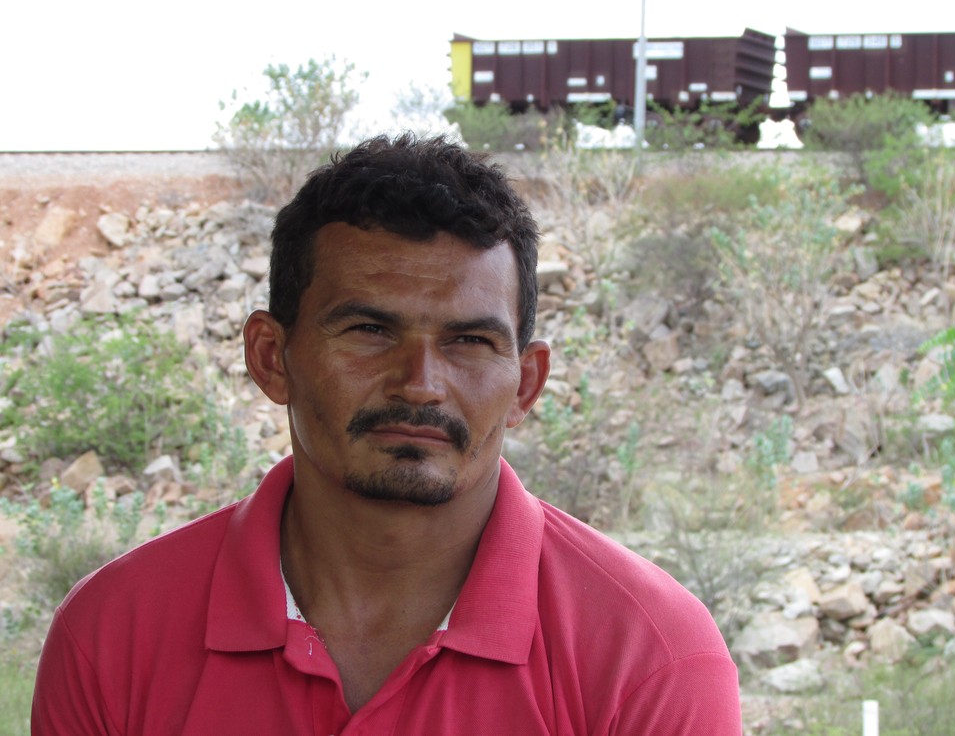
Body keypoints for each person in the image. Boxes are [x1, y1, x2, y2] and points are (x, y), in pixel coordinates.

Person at [32, 134, 742, 734]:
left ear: (525, 384)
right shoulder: (111, 636)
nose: (421, 382)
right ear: (271, 359)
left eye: (468, 340)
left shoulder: (649, 655)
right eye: (370, 331)